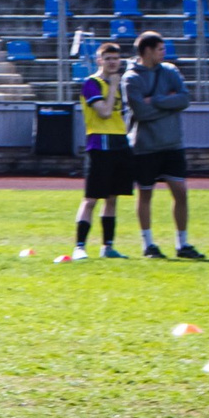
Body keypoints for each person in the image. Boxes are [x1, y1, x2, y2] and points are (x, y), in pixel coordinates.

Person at [124, 31, 203, 260]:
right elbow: (141, 111)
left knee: (180, 193)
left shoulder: (170, 71)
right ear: (147, 51)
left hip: (172, 144)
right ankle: (149, 244)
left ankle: (183, 244)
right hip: (145, 146)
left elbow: (184, 99)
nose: (164, 53)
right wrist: (168, 102)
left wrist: (156, 100)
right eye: (160, 49)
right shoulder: (131, 78)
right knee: (145, 195)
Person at [67, 40, 132, 261]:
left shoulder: (120, 84)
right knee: (92, 198)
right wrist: (113, 86)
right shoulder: (91, 83)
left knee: (112, 198)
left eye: (116, 59)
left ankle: (108, 246)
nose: (112, 63)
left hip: (119, 142)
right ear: (99, 60)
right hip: (99, 143)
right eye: (108, 59)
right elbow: (104, 112)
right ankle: (80, 246)